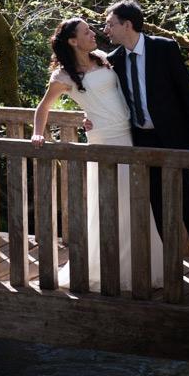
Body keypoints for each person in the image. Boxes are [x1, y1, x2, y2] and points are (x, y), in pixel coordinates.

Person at [101, 0, 189, 288]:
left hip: (178, 139)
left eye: (110, 23)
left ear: (127, 24)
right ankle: (171, 268)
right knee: (157, 205)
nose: (106, 29)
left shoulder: (164, 48)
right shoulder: (114, 60)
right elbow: (112, 101)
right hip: (143, 142)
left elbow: (188, 94)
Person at [31, 18, 163, 292]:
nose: (94, 34)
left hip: (128, 134)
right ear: (72, 40)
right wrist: (37, 133)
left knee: (136, 199)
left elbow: (120, 91)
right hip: (103, 139)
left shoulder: (103, 58)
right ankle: (105, 267)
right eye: (86, 31)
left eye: (92, 29)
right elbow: (43, 107)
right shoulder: (64, 76)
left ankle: (142, 265)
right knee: (109, 203)